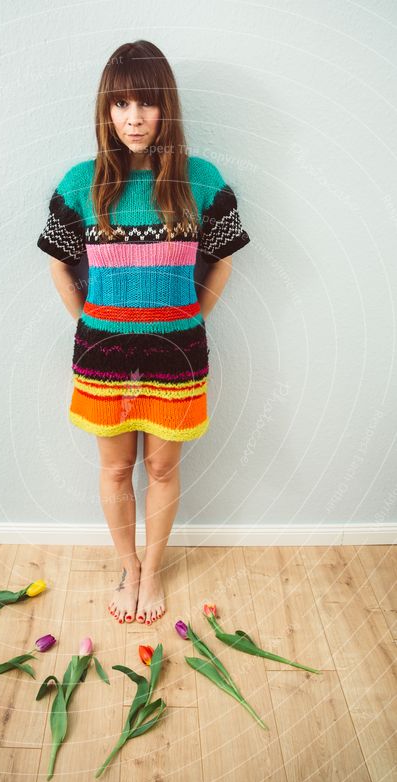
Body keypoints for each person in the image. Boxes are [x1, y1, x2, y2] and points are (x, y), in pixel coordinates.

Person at [37, 40, 250, 626]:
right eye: (121, 104)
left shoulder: (200, 182)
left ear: (166, 110)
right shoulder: (82, 184)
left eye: (147, 104)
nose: (134, 118)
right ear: (106, 112)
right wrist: (87, 320)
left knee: (160, 469)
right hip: (103, 357)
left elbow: (224, 258)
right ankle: (127, 566)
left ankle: (152, 572)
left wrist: (193, 317)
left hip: (176, 355)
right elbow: (58, 262)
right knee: (112, 469)